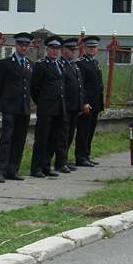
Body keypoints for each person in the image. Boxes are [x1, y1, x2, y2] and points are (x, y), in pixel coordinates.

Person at [0, 32, 34, 183]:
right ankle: (0, 171)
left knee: (19, 139)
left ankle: (13, 169)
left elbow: (31, 86)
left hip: (24, 107)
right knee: (7, 139)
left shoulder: (30, 64)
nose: (24, 48)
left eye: (26, 45)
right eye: (21, 45)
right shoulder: (6, 63)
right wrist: (2, 103)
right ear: (16, 45)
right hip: (9, 107)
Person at [30, 35, 66, 178]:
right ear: (47, 49)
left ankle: (46, 165)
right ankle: (36, 167)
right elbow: (34, 87)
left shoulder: (60, 65)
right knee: (42, 138)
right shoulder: (41, 65)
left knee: (54, 138)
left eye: (58, 49)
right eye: (52, 48)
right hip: (46, 108)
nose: (55, 51)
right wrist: (42, 102)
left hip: (59, 107)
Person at [56, 38, 85, 173]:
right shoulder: (60, 65)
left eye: (74, 50)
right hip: (65, 106)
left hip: (74, 106)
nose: (73, 52)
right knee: (63, 136)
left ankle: (65, 160)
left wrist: (81, 103)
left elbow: (79, 86)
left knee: (69, 135)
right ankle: (60, 162)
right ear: (63, 50)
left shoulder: (74, 65)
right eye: (70, 50)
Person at [75, 36, 104, 167]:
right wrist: (84, 102)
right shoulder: (80, 63)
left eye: (94, 47)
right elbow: (81, 86)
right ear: (85, 48)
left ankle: (86, 155)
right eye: (90, 47)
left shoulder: (95, 62)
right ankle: (80, 157)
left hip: (95, 103)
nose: (92, 49)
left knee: (90, 130)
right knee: (83, 131)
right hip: (87, 104)